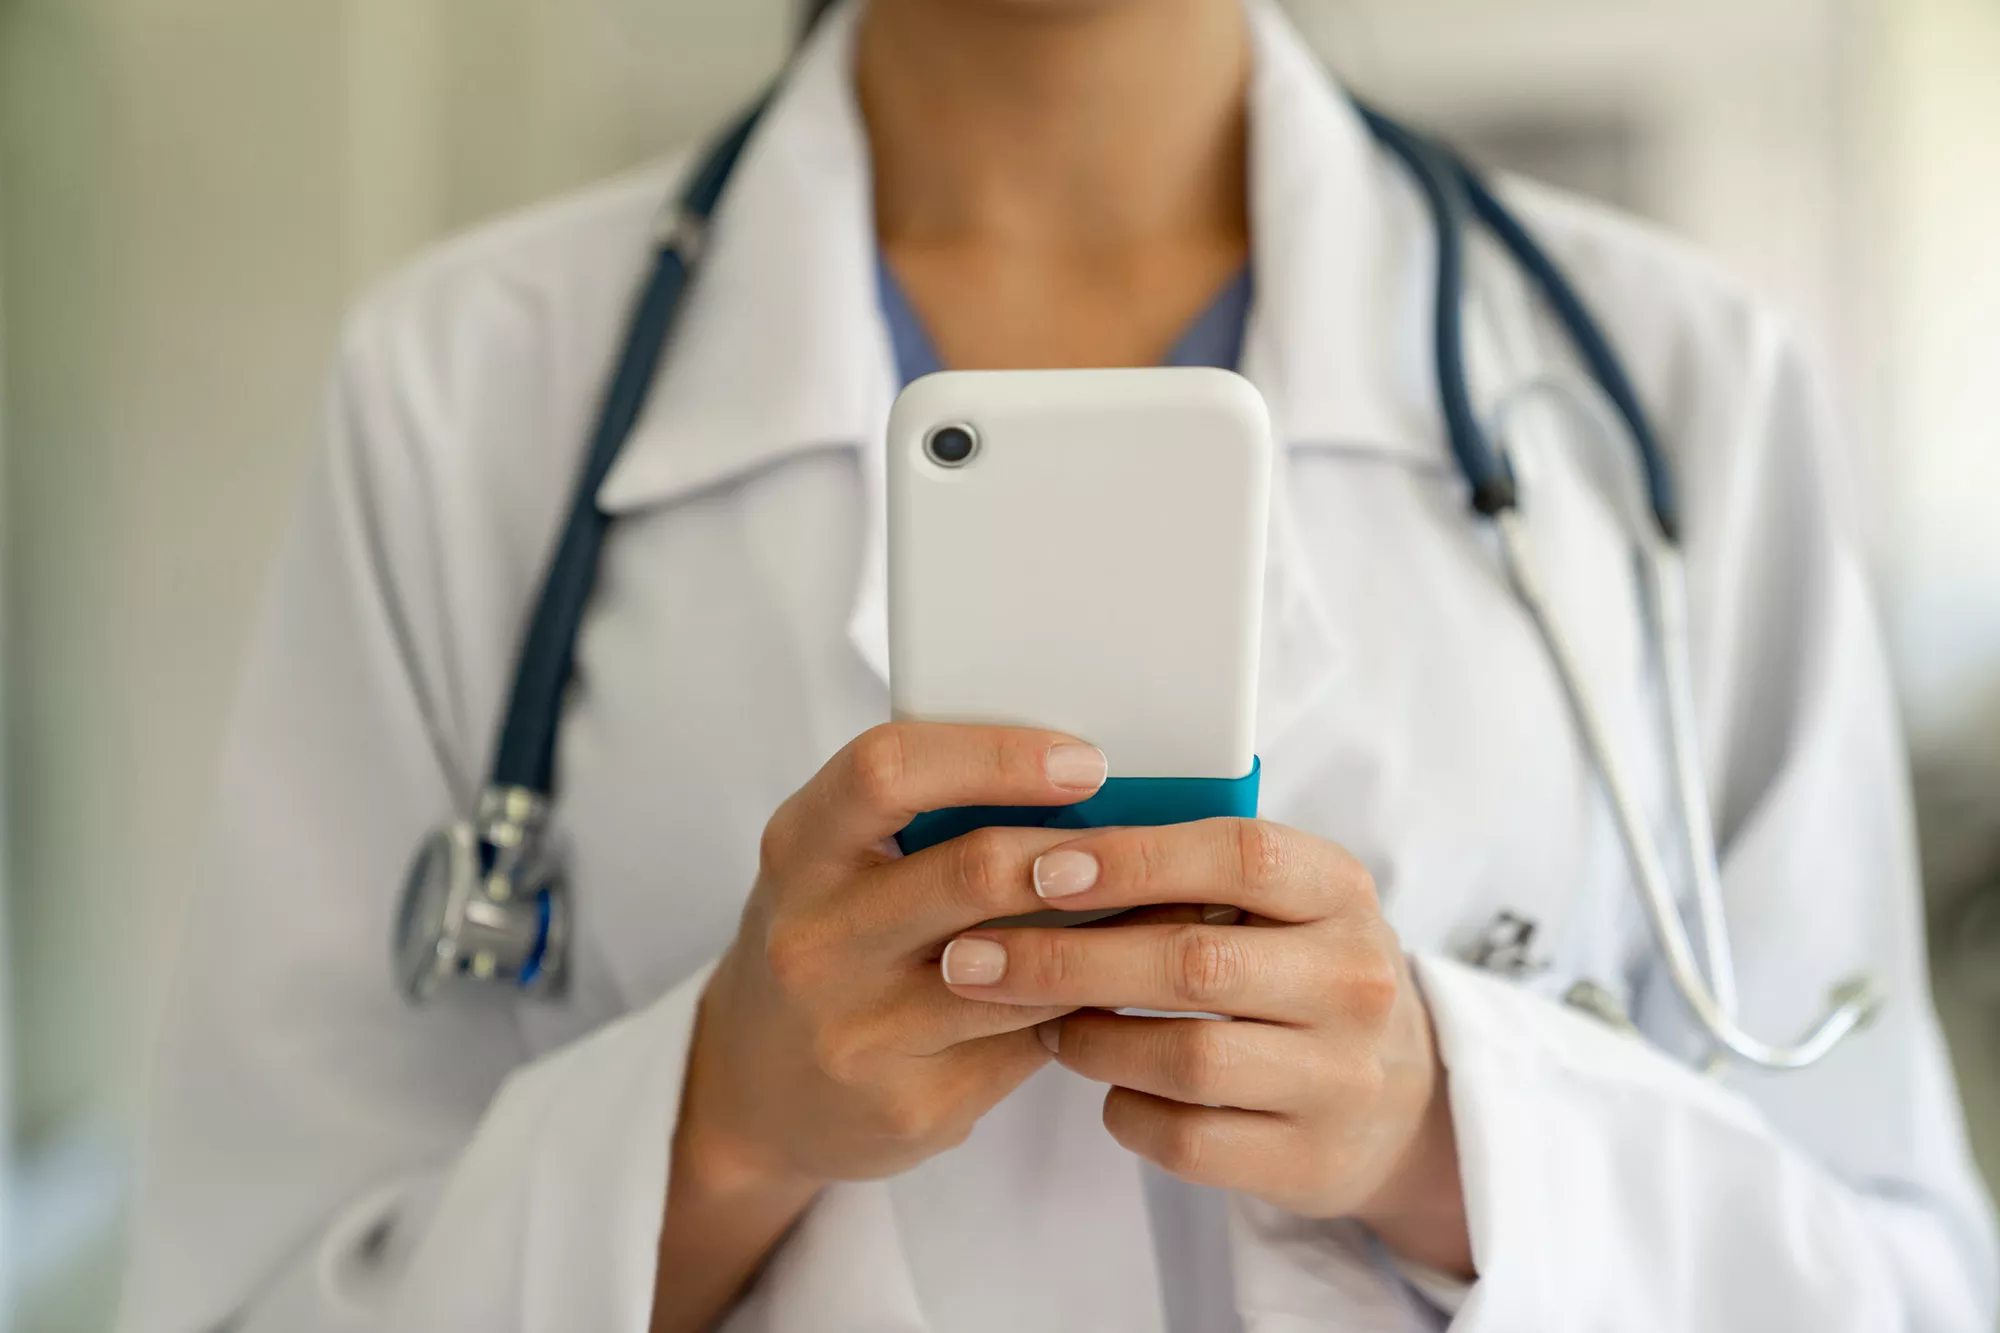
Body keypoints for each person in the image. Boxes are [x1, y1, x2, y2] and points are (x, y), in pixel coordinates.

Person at [118, 0, 1998, 1329]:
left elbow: (1901, 1290)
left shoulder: (1673, 390)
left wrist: (1456, 1138)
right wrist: (714, 1133)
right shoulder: (464, 391)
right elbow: (251, 1289)